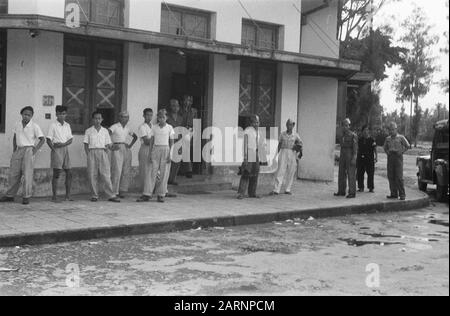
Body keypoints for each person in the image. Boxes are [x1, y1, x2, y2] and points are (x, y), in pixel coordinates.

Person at [0, 106, 45, 205]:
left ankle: (26, 197)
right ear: (21, 114)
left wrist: (35, 150)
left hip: (29, 150)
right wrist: (14, 150)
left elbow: (42, 139)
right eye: (25, 114)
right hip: (18, 150)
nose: (26, 116)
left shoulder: (35, 126)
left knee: (27, 174)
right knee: (13, 174)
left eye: (29, 115)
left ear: (31, 116)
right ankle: (10, 195)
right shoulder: (17, 124)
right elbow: (15, 137)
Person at [83, 111, 120, 203]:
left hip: (103, 152)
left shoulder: (105, 131)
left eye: (99, 118)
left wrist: (113, 148)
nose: (97, 120)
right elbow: (86, 144)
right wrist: (88, 154)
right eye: (96, 118)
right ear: (92, 119)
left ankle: (111, 195)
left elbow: (108, 144)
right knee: (92, 175)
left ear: (102, 119)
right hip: (92, 152)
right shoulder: (88, 131)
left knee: (106, 175)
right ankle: (94, 195)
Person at [46, 105, 74, 202]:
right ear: (56, 114)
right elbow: (48, 140)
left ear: (66, 114)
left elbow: (70, 139)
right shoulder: (53, 125)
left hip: (65, 149)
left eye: (63, 114)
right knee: (56, 173)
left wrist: (64, 144)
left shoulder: (67, 125)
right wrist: (53, 149)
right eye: (59, 114)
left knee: (69, 172)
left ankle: (68, 196)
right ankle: (54, 196)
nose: (61, 116)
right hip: (56, 150)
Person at [237, 115, 267, 200]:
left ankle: (252, 192)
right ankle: (241, 193)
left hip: (256, 153)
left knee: (255, 173)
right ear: (251, 122)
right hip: (250, 152)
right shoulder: (247, 131)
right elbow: (245, 144)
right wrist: (245, 157)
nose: (257, 124)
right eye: (255, 122)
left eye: (258, 122)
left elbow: (261, 144)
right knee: (246, 172)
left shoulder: (259, 132)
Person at [109, 111, 137, 199]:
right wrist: (111, 145)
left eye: (127, 117)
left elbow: (135, 137)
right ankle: (114, 191)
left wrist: (130, 145)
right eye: (123, 117)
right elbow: (106, 134)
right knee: (117, 170)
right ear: (120, 117)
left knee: (125, 170)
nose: (125, 119)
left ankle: (122, 190)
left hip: (125, 147)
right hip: (117, 147)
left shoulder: (128, 128)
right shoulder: (115, 126)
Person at [271, 119, 303, 195]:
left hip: (292, 153)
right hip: (283, 152)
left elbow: (300, 144)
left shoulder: (295, 135)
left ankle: (287, 189)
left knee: (291, 171)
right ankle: (276, 189)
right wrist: (276, 155)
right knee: (280, 170)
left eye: (291, 125)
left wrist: (299, 151)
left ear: (293, 126)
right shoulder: (282, 134)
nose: (289, 126)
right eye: (288, 124)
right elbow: (279, 144)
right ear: (286, 125)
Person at [150, 109, 175, 203]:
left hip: (166, 149)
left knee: (164, 173)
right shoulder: (154, 127)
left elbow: (172, 142)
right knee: (153, 172)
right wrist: (150, 153)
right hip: (156, 149)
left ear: (166, 118)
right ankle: (148, 193)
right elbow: (152, 140)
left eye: (163, 117)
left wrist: (170, 154)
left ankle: (161, 194)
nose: (161, 119)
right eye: (159, 117)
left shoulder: (169, 128)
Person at [383, 122, 410, 200]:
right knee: (391, 176)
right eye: (390, 130)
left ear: (396, 129)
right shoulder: (387, 139)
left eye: (392, 129)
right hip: (390, 157)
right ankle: (393, 193)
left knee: (399, 177)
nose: (391, 131)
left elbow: (408, 146)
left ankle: (402, 194)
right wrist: (387, 152)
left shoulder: (401, 137)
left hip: (398, 158)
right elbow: (384, 147)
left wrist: (401, 151)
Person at [334, 118, 358, 198]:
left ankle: (352, 192)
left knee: (351, 174)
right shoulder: (341, 135)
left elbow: (355, 148)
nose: (345, 127)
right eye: (343, 125)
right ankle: (341, 191)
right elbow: (341, 146)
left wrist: (354, 158)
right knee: (341, 173)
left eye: (346, 125)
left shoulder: (353, 135)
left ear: (349, 126)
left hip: (350, 154)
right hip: (342, 154)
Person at [136, 108, 154, 202]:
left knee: (152, 171)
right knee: (145, 171)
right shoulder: (142, 127)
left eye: (151, 115)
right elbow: (147, 141)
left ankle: (149, 192)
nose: (149, 117)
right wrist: (157, 139)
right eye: (147, 115)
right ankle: (145, 193)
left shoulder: (153, 126)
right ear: (143, 115)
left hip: (153, 149)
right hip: (145, 149)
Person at [166, 99, 184, 185]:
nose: (175, 107)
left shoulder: (181, 117)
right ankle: (166, 178)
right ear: (170, 106)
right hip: (169, 141)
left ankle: (173, 179)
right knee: (168, 159)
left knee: (177, 161)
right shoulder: (166, 117)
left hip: (179, 140)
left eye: (177, 106)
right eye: (173, 105)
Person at [357, 125, 377, 193]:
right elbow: (357, 149)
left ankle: (371, 187)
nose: (366, 131)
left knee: (370, 173)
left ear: (369, 131)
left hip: (370, 159)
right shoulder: (360, 140)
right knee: (360, 173)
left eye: (367, 130)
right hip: (361, 159)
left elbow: (375, 149)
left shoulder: (372, 140)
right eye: (364, 130)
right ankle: (361, 187)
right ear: (362, 131)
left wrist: (376, 157)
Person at [180, 94, 195, 178]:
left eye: (189, 100)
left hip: (189, 131)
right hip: (180, 130)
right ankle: (182, 170)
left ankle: (188, 170)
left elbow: (196, 122)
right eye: (186, 100)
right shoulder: (180, 110)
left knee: (187, 150)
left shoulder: (193, 111)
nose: (187, 102)